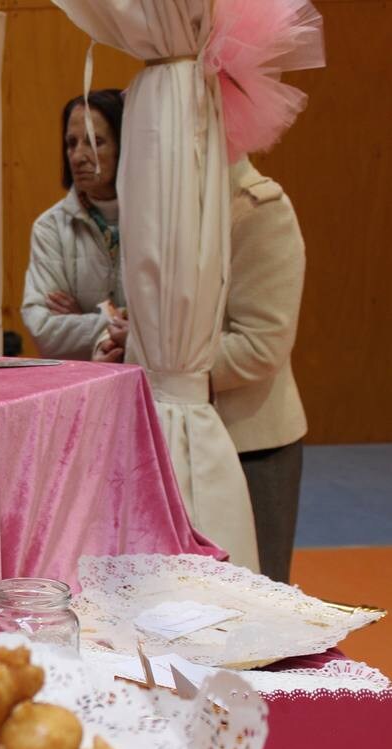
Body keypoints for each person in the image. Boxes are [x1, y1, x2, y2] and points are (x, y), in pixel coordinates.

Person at [95, 157, 307, 582]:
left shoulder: (258, 208)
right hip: (177, 432)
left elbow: (261, 343)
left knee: (259, 599)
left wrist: (163, 366)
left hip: (250, 444)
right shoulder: (178, 212)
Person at [21, 89, 128, 360]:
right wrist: (122, 323)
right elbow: (43, 329)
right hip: (85, 388)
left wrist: (82, 321)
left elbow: (169, 323)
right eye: (71, 143)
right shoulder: (50, 228)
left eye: (94, 142)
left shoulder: (156, 222)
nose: (77, 156)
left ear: (123, 146)